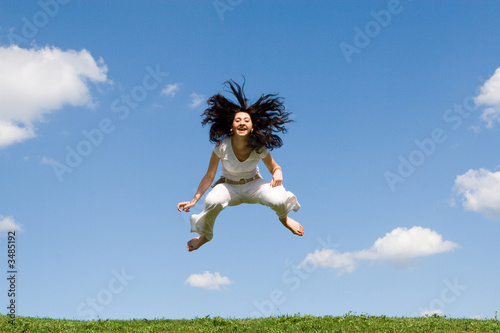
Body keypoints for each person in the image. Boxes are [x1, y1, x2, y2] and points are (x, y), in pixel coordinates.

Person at [177, 80, 303, 251]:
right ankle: (206, 236)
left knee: (279, 198)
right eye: (238, 120)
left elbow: (275, 167)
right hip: (229, 187)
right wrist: (194, 200)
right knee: (211, 201)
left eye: (246, 120)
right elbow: (209, 176)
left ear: (251, 127)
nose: (242, 122)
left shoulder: (258, 147)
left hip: (254, 185)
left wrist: (278, 173)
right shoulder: (221, 146)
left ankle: (284, 220)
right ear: (232, 127)